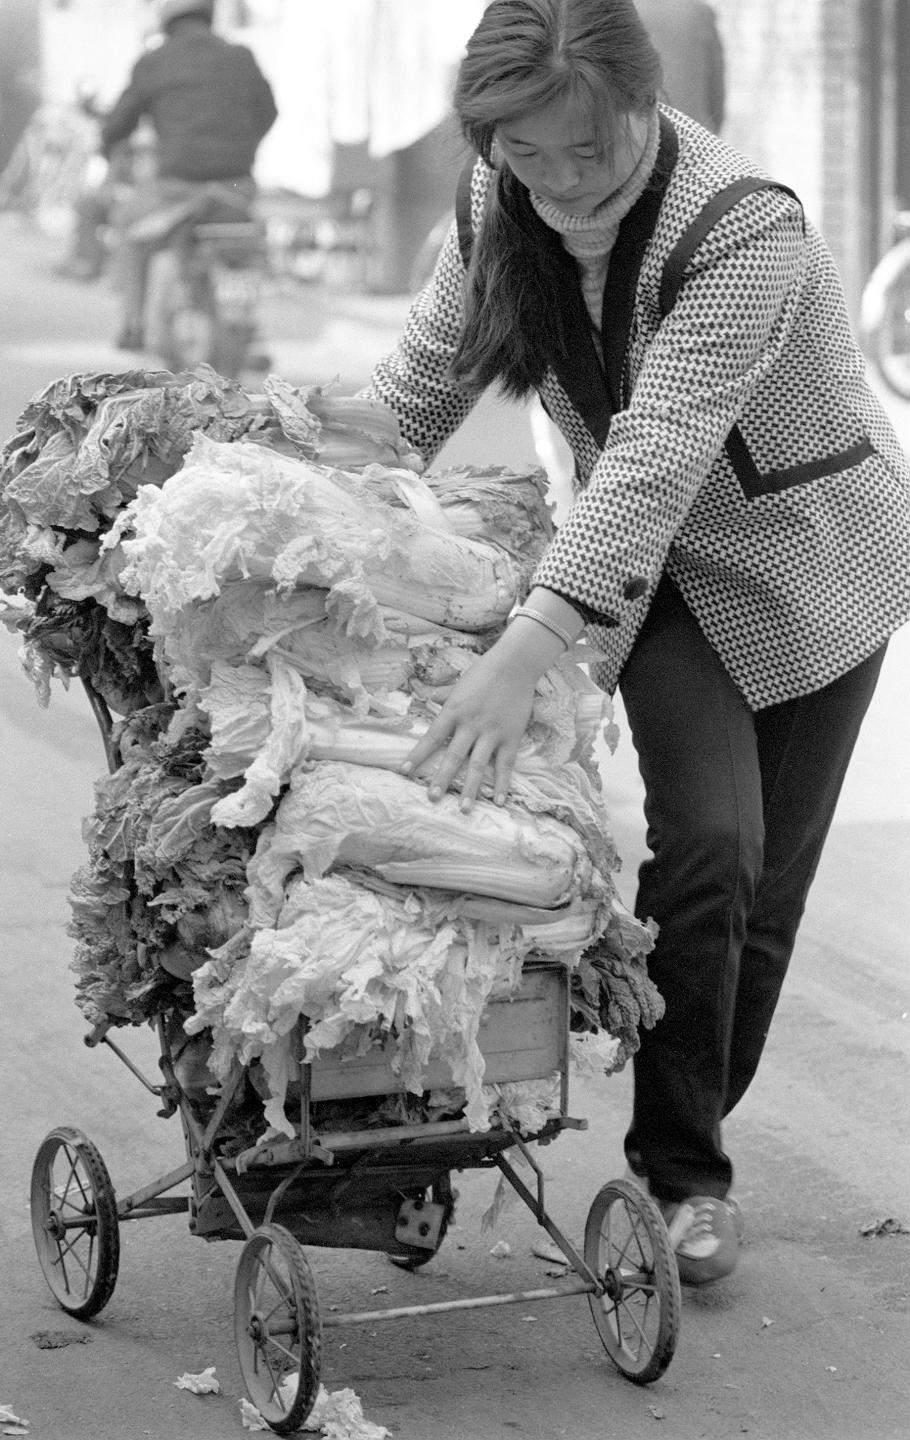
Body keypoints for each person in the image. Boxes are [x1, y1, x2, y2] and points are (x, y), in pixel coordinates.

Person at [361, 0, 910, 1285]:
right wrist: (277, 475)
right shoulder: (495, 198)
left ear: (642, 106)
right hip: (640, 571)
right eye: (524, 153)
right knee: (708, 843)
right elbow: (417, 389)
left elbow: (661, 445)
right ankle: (654, 1164)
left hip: (808, 566)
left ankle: (681, 1167)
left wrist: (520, 657)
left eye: (588, 151)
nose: (558, 185)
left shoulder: (744, 226)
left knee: (757, 892)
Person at [99, 0, 277, 350]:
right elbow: (269, 112)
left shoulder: (155, 61)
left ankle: (133, 325)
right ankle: (248, 325)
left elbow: (119, 124)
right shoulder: (240, 56)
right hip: (236, 182)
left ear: (167, 18)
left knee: (128, 226)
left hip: (176, 184)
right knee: (246, 240)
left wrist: (109, 149)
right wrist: (242, 148)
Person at [635, 0, 726, 134]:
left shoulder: (615, 12)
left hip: (638, 135)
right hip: (694, 133)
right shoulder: (698, 12)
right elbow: (715, 92)